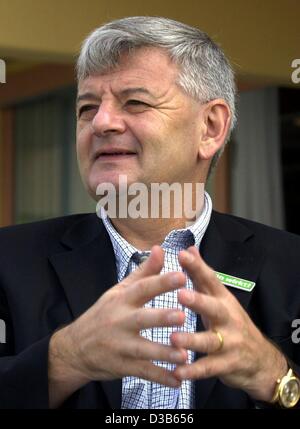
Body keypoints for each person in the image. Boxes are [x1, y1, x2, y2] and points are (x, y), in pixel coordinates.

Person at [0, 16, 299, 410]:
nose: (101, 122)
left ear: (210, 127)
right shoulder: (7, 260)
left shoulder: (293, 265)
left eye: (135, 102)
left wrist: (273, 375)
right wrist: (63, 360)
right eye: (87, 108)